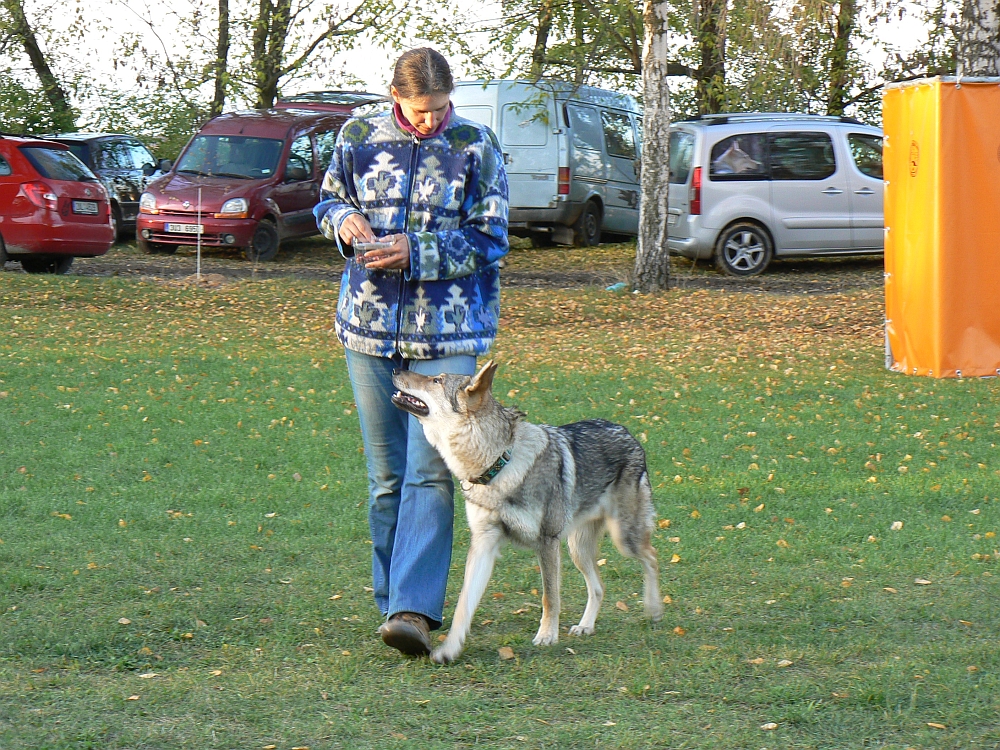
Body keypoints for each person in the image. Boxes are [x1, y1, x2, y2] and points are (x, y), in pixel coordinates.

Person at [313, 48, 509, 657]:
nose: (429, 121)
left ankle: (412, 612)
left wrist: (416, 253)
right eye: (418, 110)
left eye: (439, 108)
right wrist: (343, 222)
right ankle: (389, 602)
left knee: (431, 474)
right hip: (369, 333)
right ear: (395, 97)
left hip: (448, 336)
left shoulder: (477, 144)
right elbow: (327, 200)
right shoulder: (356, 134)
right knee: (387, 477)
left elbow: (491, 235)